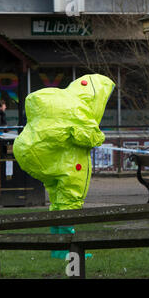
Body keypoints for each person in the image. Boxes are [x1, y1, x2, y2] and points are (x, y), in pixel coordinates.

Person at [13, 74, 115, 259]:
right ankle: (70, 250)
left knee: (57, 202)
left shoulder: (62, 102)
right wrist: (99, 137)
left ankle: (57, 247)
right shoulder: (79, 109)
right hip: (71, 163)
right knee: (70, 202)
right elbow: (88, 137)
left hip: (45, 158)